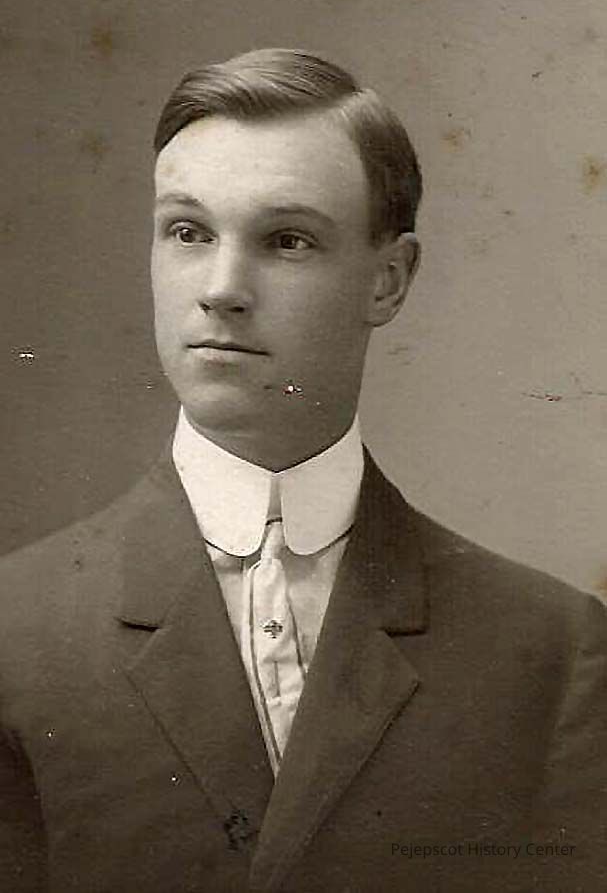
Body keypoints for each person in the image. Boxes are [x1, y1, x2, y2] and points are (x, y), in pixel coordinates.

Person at [0, 48, 605, 893]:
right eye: (187, 232)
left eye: (286, 240)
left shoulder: (553, 653)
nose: (221, 288)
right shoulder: (17, 633)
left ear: (387, 281)